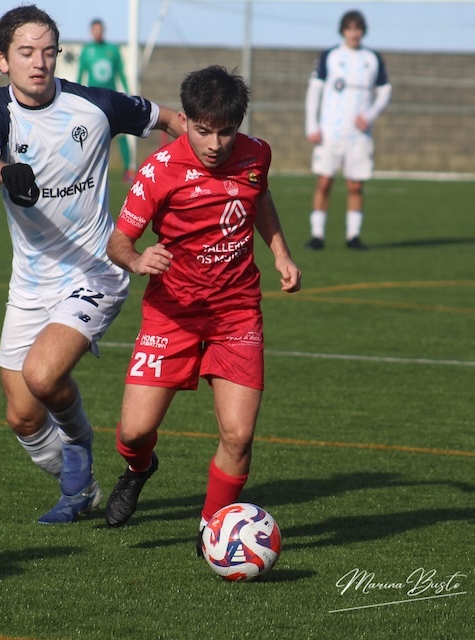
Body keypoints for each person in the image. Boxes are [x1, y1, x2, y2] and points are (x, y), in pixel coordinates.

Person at [0, 4, 182, 524]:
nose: (39, 62)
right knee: (21, 415)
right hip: (31, 280)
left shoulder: (95, 106)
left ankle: (80, 450)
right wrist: (5, 172)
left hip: (97, 271)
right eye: (25, 53)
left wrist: (205, 167)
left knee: (43, 376)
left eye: (48, 51)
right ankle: (79, 487)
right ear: (2, 60)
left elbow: (170, 120)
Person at [102, 65, 302, 548]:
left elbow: (260, 196)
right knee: (134, 431)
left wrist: (280, 252)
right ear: (186, 120)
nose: (215, 144)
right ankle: (139, 467)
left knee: (238, 435)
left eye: (226, 132)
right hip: (172, 314)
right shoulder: (158, 172)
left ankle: (213, 526)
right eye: (203, 130)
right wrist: (138, 258)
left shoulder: (257, 155)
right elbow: (118, 243)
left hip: (236, 313)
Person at [304, 9, 391, 251]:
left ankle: (353, 235)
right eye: (350, 28)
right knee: (324, 181)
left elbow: (385, 91)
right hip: (330, 131)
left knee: (355, 184)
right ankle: (317, 235)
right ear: (343, 30)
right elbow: (314, 91)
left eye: (358, 28)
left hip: (359, 135)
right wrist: (312, 125)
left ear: (363, 31)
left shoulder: (372, 58)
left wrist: (370, 115)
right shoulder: (330, 56)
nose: (354, 33)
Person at [77, 18, 135, 183]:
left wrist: (128, 91)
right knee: (91, 134)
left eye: (99, 30)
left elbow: (120, 72)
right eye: (94, 30)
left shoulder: (113, 50)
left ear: (103, 31)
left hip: (112, 98)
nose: (97, 33)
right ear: (91, 31)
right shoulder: (87, 51)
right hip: (93, 99)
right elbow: (81, 73)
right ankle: (88, 169)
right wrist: (78, 93)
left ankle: (128, 170)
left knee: (123, 133)